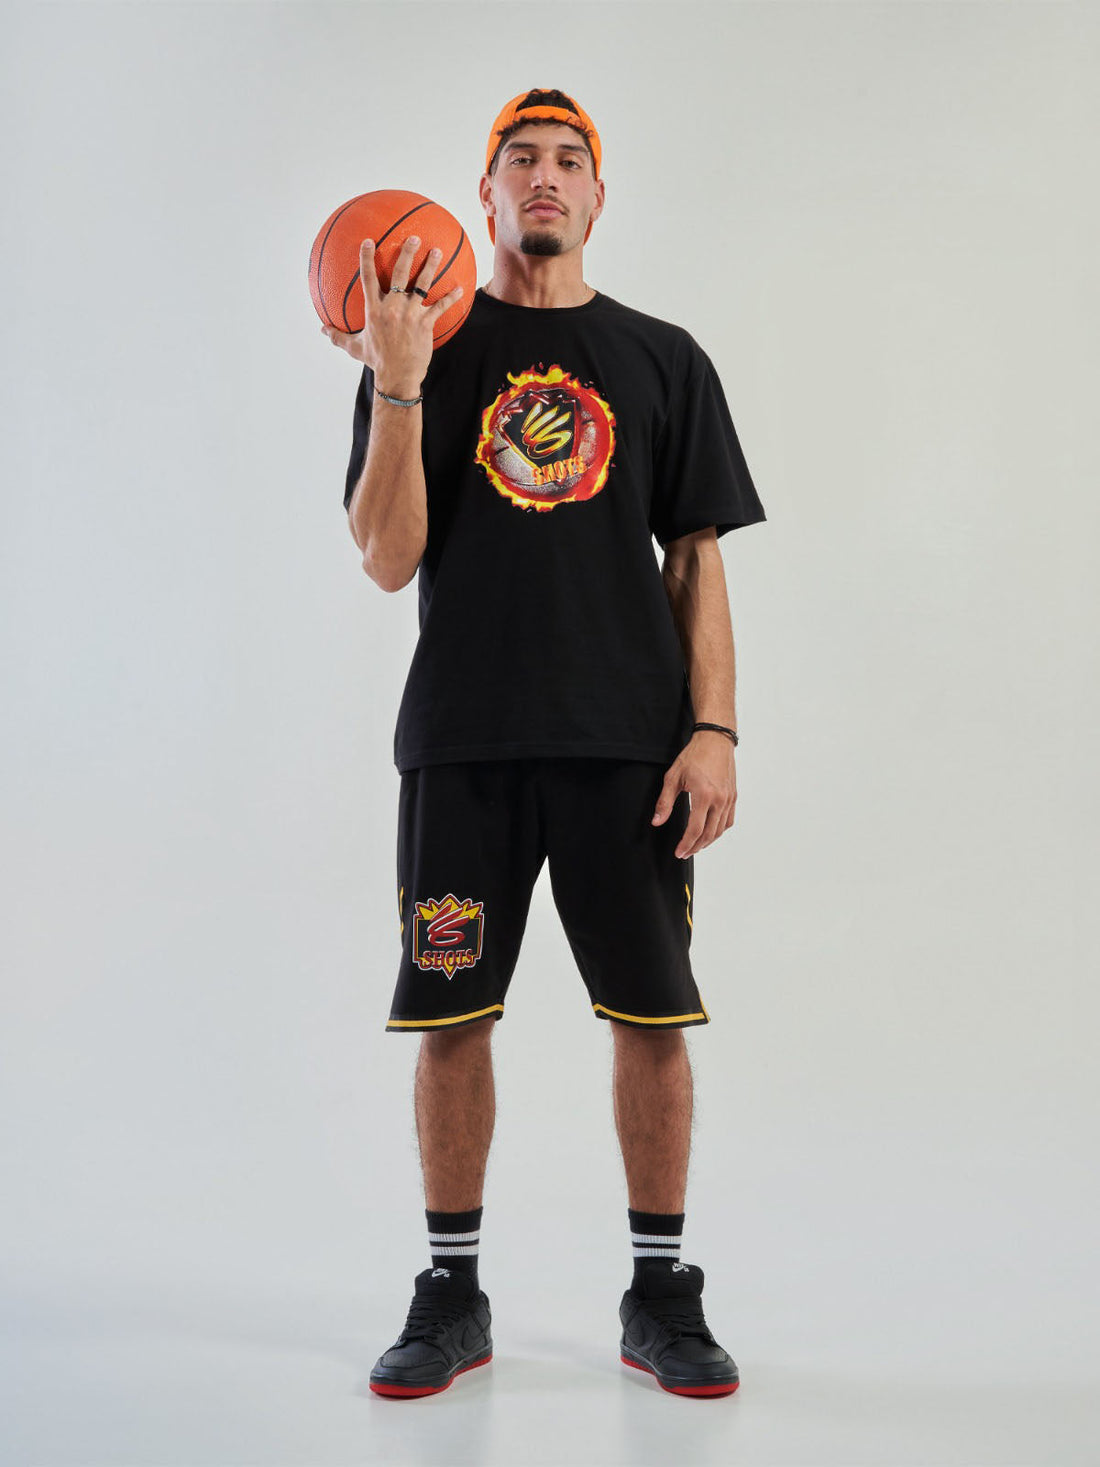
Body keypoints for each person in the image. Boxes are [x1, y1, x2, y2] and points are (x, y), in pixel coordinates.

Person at [323, 88, 766, 1400]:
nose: (549, 177)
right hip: (461, 742)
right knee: (452, 1016)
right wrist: (398, 388)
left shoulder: (663, 359)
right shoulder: (418, 349)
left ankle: (660, 1292)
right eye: (523, 157)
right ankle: (452, 1293)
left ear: (600, 194)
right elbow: (386, 557)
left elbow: (697, 562)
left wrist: (716, 730)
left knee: (652, 1018)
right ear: (488, 191)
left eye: (571, 159)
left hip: (629, 751)